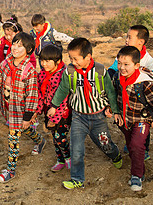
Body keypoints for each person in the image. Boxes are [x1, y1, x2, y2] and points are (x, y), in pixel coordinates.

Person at [51, 38, 122, 190]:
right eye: (70, 58)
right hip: (78, 117)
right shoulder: (69, 71)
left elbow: (110, 92)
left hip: (98, 117)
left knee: (105, 144)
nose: (72, 61)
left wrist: (115, 110)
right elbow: (63, 89)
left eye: (75, 59)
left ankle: (114, 154)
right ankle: (77, 179)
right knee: (76, 149)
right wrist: (54, 105)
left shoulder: (100, 71)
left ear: (88, 56)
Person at [111, 46, 153, 192]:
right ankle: (140, 168)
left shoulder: (144, 83)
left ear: (136, 65)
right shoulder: (117, 77)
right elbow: (115, 96)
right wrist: (113, 110)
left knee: (136, 145)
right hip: (124, 119)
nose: (122, 67)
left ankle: (137, 175)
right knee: (131, 145)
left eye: (126, 64)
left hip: (142, 119)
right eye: (120, 63)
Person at [0, 32, 46, 183]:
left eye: (20, 46)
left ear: (29, 50)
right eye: (14, 44)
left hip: (21, 110)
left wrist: (27, 116)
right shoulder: (7, 62)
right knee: (25, 129)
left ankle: (11, 170)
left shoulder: (29, 70)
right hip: (8, 107)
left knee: (13, 137)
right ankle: (40, 141)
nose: (15, 48)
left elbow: (32, 95)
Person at [108, 25, 153, 160]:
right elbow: (113, 70)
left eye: (129, 37)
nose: (126, 40)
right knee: (127, 122)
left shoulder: (149, 61)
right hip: (125, 96)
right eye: (126, 37)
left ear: (141, 42)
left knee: (143, 123)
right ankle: (131, 143)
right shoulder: (123, 55)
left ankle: (144, 148)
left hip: (141, 100)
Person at [34, 44, 71, 172]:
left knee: (60, 138)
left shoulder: (62, 76)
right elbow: (39, 94)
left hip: (62, 113)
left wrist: (55, 118)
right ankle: (60, 160)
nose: (44, 64)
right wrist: (37, 111)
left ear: (58, 61)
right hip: (48, 111)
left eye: (48, 61)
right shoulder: (42, 74)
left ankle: (68, 158)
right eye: (42, 60)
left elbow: (63, 99)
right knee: (54, 137)